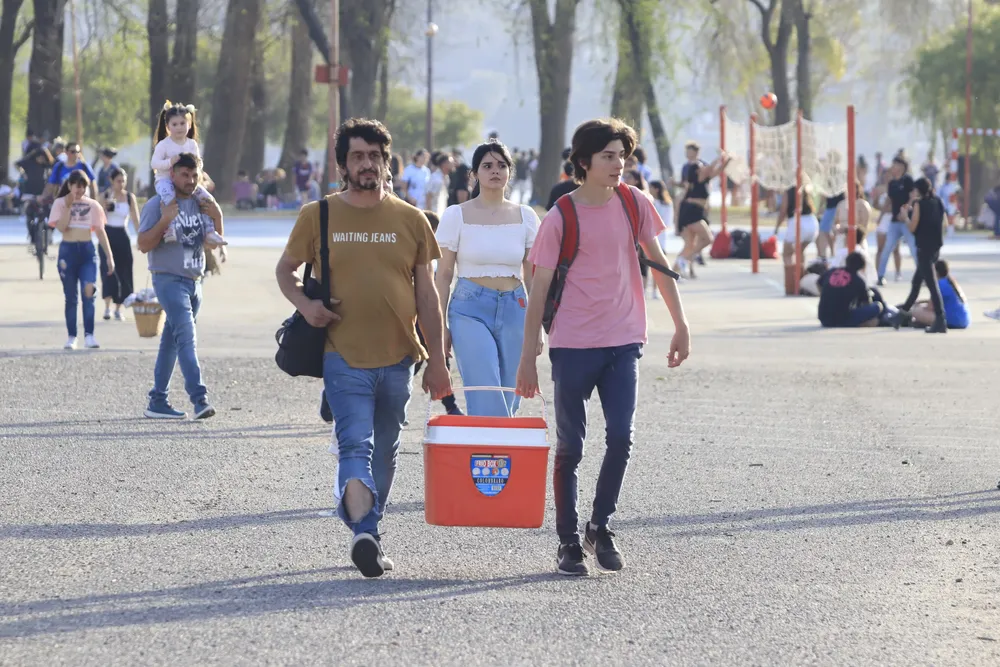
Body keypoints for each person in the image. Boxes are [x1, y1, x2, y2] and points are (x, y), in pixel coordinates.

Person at [275, 118, 452, 578]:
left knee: (388, 450)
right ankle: (365, 532)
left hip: (399, 358)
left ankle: (366, 525)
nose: (368, 164)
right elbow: (285, 271)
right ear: (342, 164)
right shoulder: (319, 215)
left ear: (386, 161)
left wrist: (437, 361)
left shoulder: (412, 219)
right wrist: (305, 307)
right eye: (358, 156)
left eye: (375, 156)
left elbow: (428, 297)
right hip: (342, 354)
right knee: (355, 442)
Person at [515, 118, 691, 576]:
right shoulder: (561, 217)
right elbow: (538, 289)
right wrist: (527, 356)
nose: (618, 165)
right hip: (572, 344)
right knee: (571, 445)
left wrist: (681, 324)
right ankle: (568, 542)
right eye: (609, 156)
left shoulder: (635, 203)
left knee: (621, 438)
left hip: (624, 339)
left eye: (623, 156)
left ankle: (601, 525)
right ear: (584, 162)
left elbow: (658, 262)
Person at [435, 139, 540, 417]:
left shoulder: (526, 216)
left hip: (516, 306)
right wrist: (440, 325)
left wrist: (536, 327)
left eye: (502, 165)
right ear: (475, 173)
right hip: (469, 307)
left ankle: (501, 457)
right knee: (485, 391)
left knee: (510, 394)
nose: (495, 171)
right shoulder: (456, 215)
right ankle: (491, 452)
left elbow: (533, 276)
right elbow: (443, 274)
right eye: (487, 165)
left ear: (510, 172)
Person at [137, 153, 223, 420]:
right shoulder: (158, 205)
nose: (190, 180)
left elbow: (213, 241)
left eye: (194, 175)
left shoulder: (200, 203)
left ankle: (157, 400)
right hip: (168, 279)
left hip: (195, 281)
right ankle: (200, 400)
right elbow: (142, 245)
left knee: (171, 342)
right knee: (187, 339)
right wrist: (164, 220)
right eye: (184, 175)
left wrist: (218, 214)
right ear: (172, 175)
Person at [47, 171, 115, 349]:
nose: (80, 189)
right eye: (76, 185)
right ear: (69, 185)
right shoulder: (60, 203)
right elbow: (61, 228)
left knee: (88, 291)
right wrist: (68, 207)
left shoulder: (93, 205)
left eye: (83, 185)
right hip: (68, 251)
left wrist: (109, 256)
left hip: (87, 251)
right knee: (71, 297)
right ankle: (72, 336)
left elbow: (100, 231)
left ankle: (89, 335)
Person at [151, 101, 226, 247]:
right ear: (167, 127)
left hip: (188, 181)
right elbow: (154, 164)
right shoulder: (164, 145)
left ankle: (210, 231)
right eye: (175, 124)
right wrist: (169, 162)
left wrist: (195, 170)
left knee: (207, 200)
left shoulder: (192, 144)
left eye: (182, 123)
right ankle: (170, 228)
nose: (179, 127)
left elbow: (199, 163)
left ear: (189, 124)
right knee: (169, 197)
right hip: (165, 180)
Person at [895, 177, 947, 333]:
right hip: (935, 247)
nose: (911, 192)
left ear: (918, 191)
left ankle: (940, 319)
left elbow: (912, 227)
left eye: (913, 190)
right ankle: (902, 315)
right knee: (916, 282)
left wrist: (905, 217)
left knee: (931, 284)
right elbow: (944, 223)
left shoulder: (919, 204)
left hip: (924, 248)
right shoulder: (937, 201)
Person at [675, 141, 729, 278]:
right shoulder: (695, 172)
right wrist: (719, 157)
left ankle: (675, 272)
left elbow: (716, 171)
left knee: (689, 244)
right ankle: (687, 260)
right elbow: (710, 168)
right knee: (708, 239)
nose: (703, 168)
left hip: (697, 210)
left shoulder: (704, 178)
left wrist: (727, 160)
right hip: (691, 211)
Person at [98, 168, 141, 321]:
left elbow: (135, 219)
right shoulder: (105, 195)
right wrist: (104, 206)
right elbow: (97, 216)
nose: (121, 184)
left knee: (124, 270)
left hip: (122, 234)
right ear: (111, 180)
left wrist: (140, 237)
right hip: (107, 234)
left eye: (123, 181)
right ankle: (107, 307)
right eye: (118, 181)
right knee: (108, 270)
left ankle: (118, 307)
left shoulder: (129, 197)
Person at [877, 156, 918, 285]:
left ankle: (922, 275)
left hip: (906, 221)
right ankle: (880, 276)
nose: (892, 167)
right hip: (895, 221)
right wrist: (881, 215)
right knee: (887, 248)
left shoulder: (908, 180)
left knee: (913, 248)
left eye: (895, 165)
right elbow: (889, 200)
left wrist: (906, 209)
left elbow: (913, 196)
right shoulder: (892, 183)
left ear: (901, 167)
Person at [817, 252, 886, 328]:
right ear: (862, 266)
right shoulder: (858, 281)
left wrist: (827, 295)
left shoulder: (831, 272)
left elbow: (818, 283)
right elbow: (866, 303)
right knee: (877, 307)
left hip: (824, 319)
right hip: (842, 319)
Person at [896, 260, 969, 330]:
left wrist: (918, 306)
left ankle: (908, 319)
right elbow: (940, 301)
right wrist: (921, 302)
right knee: (921, 308)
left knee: (915, 310)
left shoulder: (939, 284)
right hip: (964, 321)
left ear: (935, 272)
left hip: (952, 321)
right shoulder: (951, 282)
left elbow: (930, 307)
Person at [774, 185, 819, 270]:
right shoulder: (805, 188)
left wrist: (777, 227)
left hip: (797, 221)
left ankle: (790, 279)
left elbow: (783, 211)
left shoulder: (789, 191)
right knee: (800, 251)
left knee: (787, 253)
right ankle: (800, 275)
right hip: (811, 221)